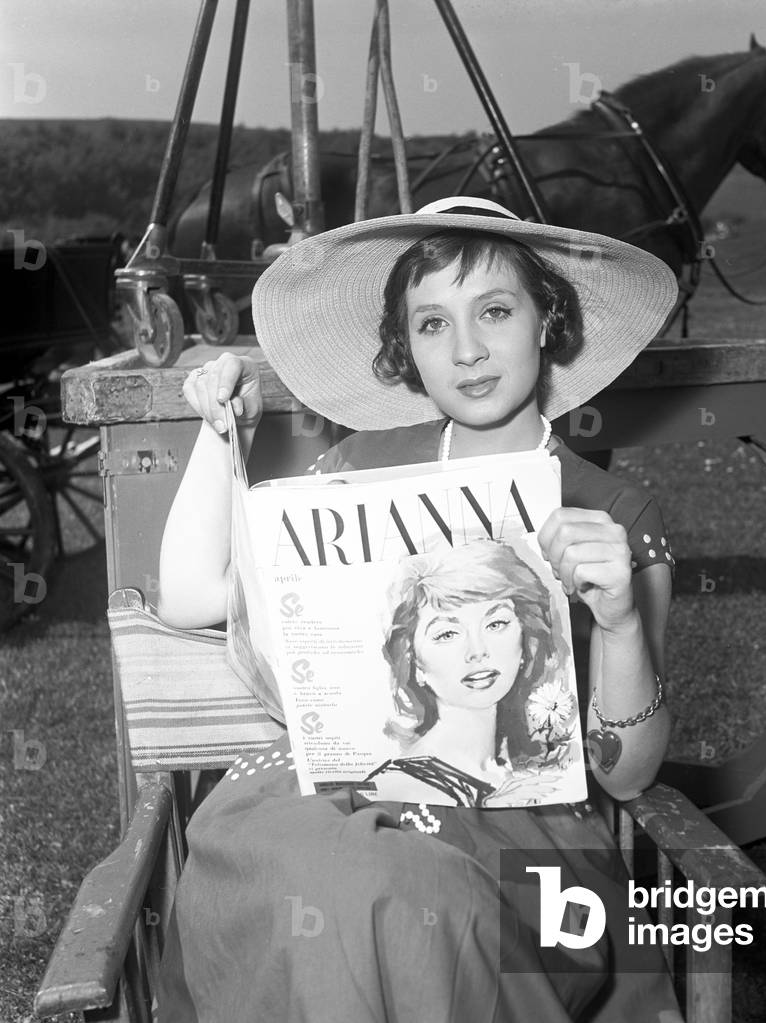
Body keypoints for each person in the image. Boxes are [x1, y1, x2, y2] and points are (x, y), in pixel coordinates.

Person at [156, 196, 681, 1021]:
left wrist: (618, 624)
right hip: (324, 801)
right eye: (432, 324)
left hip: (517, 826)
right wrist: (222, 433)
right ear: (408, 346)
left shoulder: (611, 514)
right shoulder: (356, 469)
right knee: (314, 876)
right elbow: (190, 596)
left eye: (495, 311)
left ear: (547, 320)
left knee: (391, 896)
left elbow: (628, 772)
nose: (466, 350)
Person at [365, 539, 576, 807]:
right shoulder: (396, 787)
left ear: (526, 638)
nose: (477, 651)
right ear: (414, 662)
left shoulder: (534, 764)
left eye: (495, 623)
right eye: (447, 634)